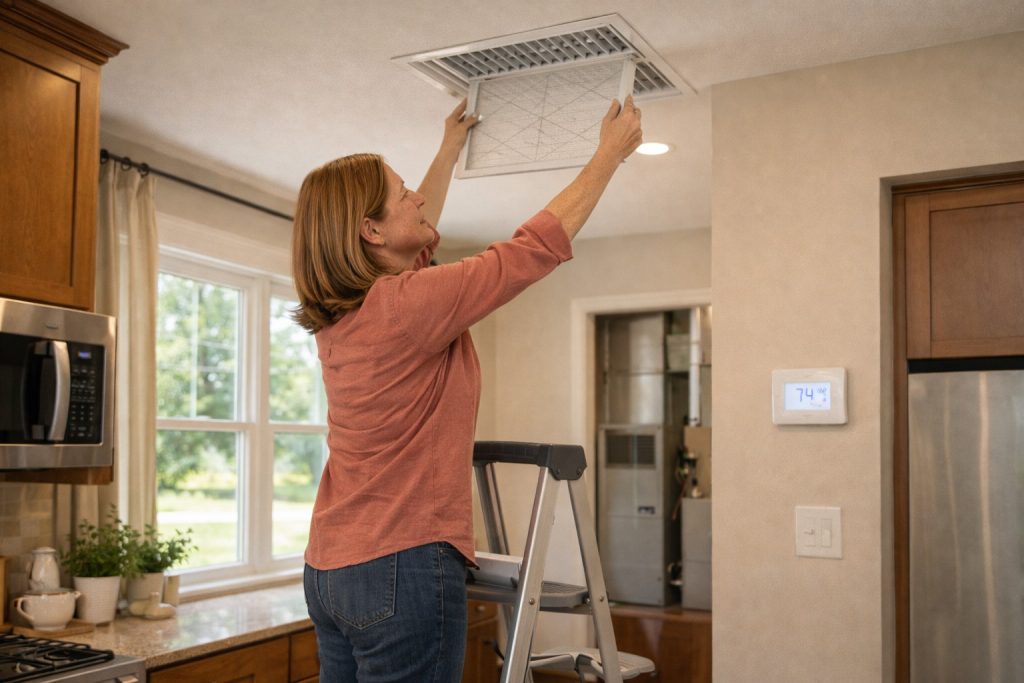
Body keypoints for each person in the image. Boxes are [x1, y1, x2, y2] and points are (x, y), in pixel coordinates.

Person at [292, 95, 643, 682]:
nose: (418, 197)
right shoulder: (410, 306)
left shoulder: (344, 317)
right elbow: (530, 251)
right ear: (370, 228)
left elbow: (414, 243)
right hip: (401, 563)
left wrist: (448, 151)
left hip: (330, 568)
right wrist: (608, 155)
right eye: (404, 193)